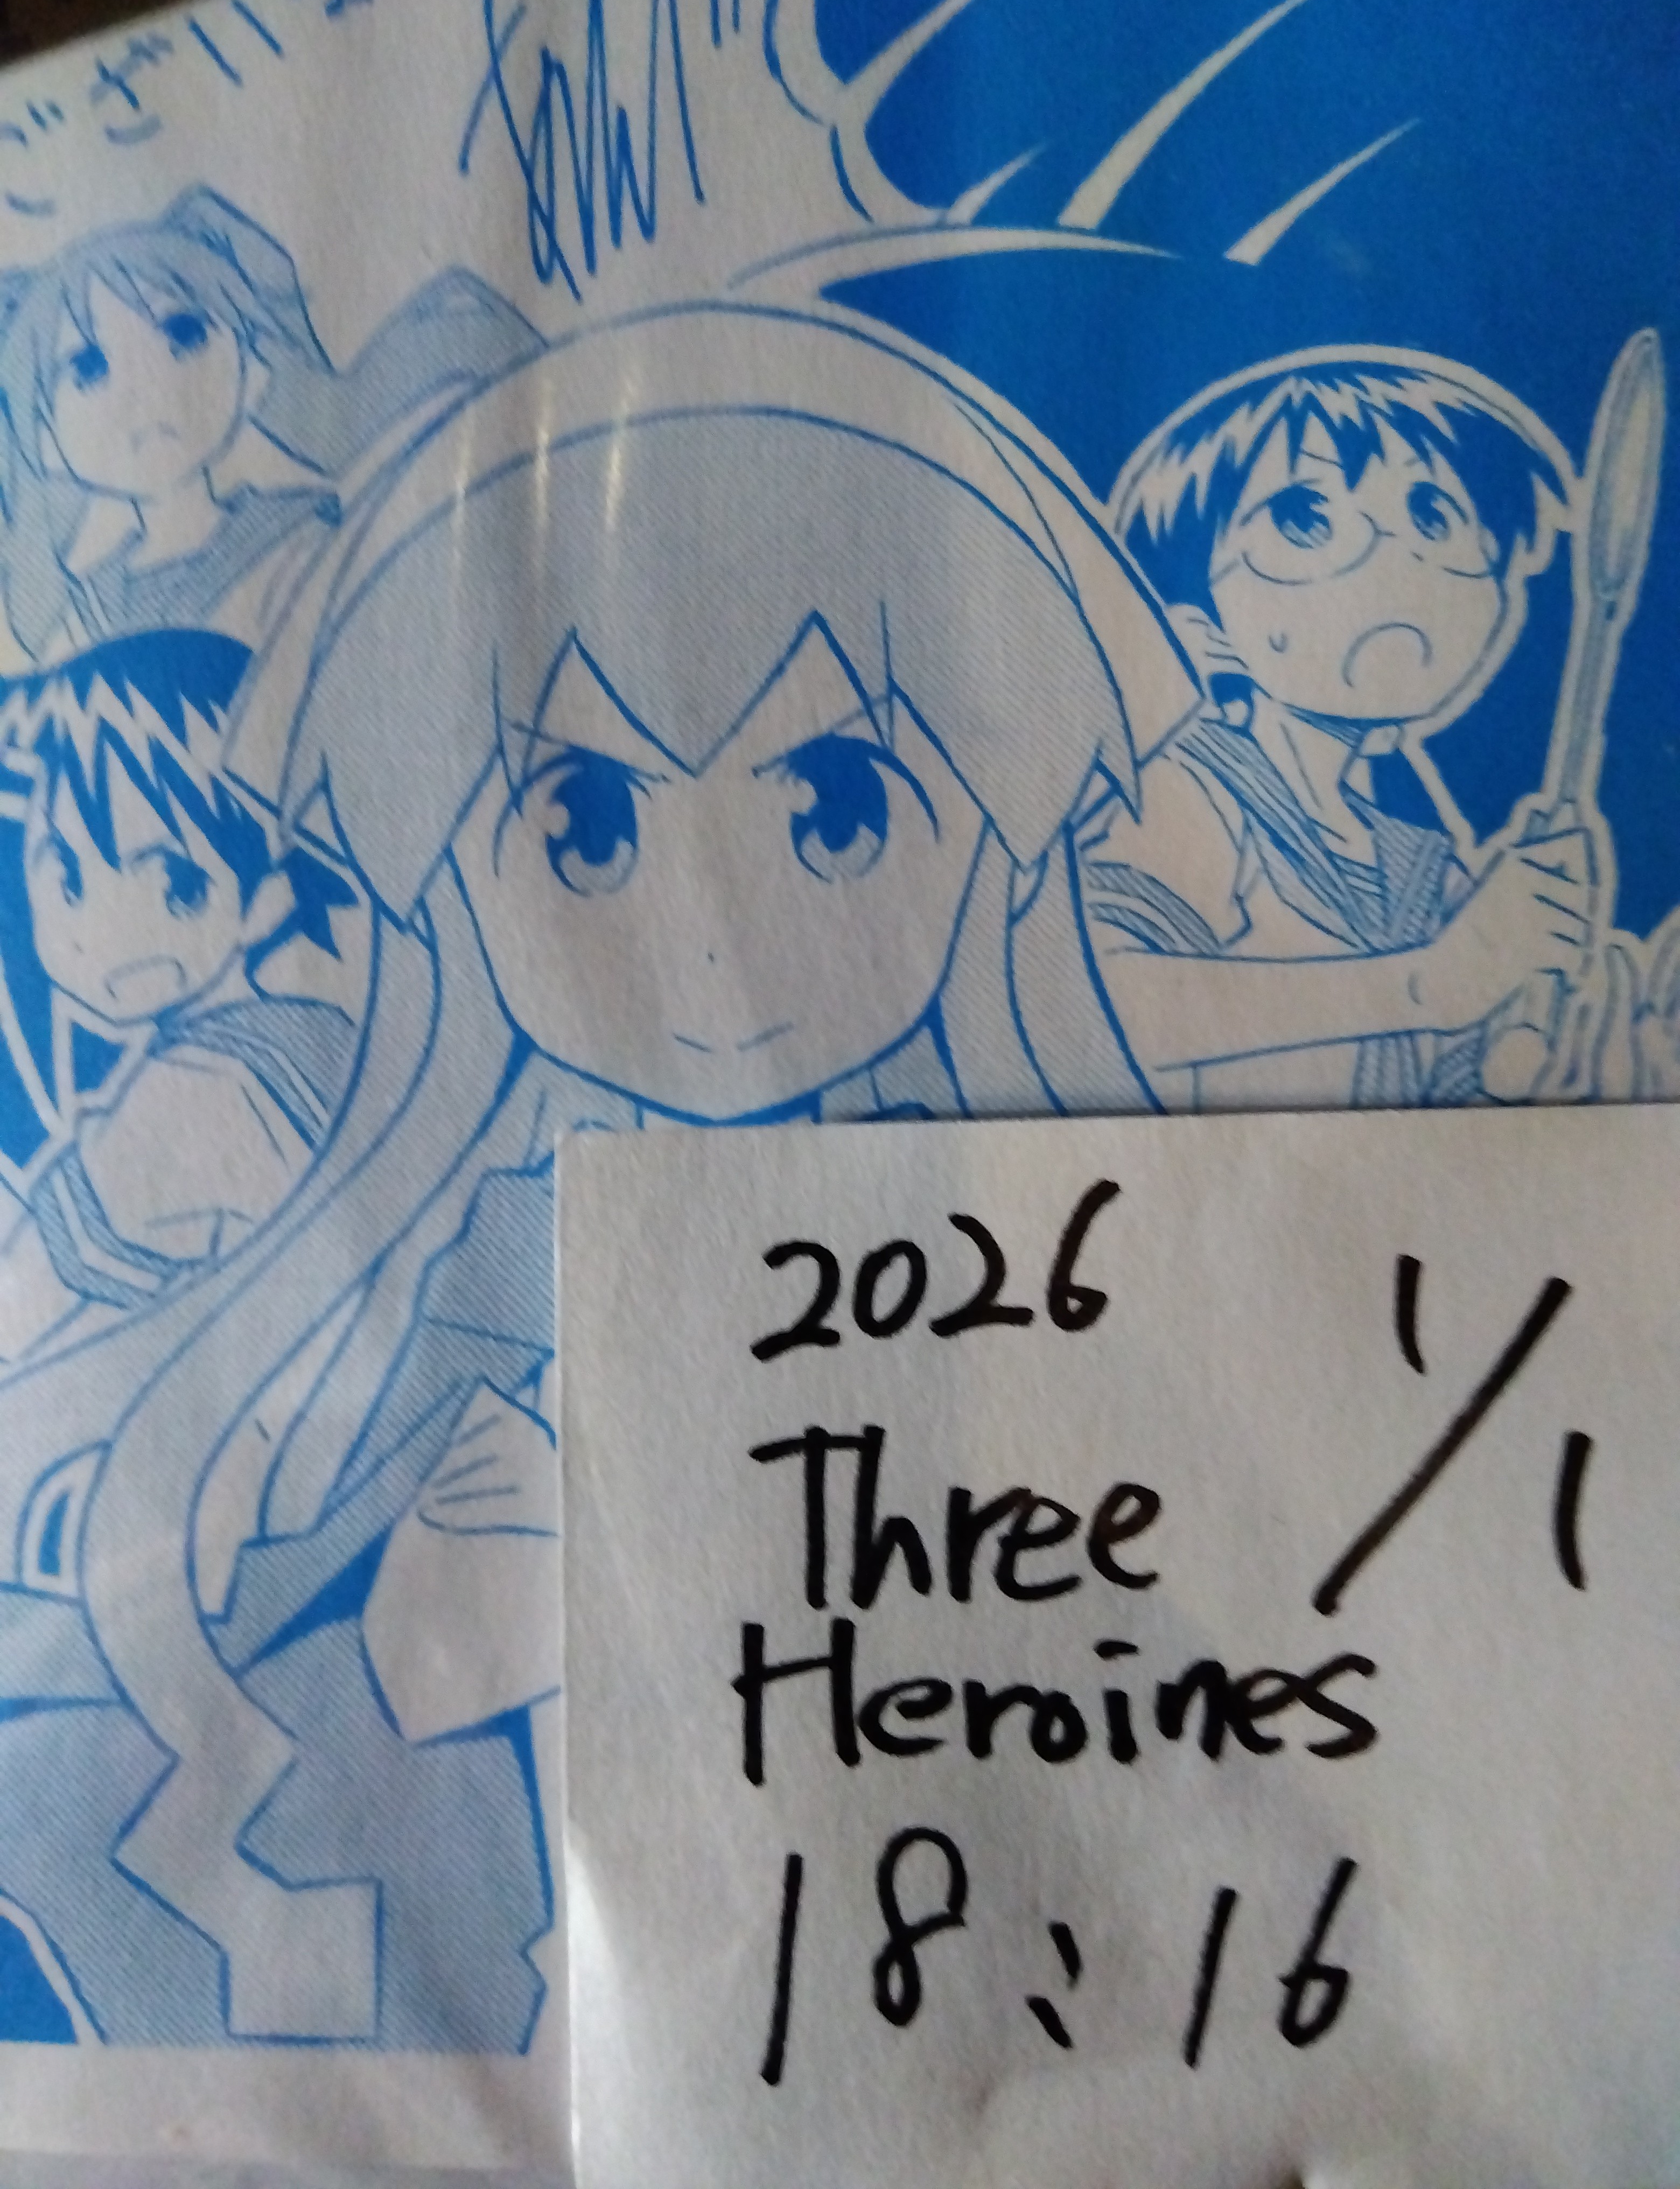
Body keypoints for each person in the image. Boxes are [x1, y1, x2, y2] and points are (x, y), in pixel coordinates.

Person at [0, 302, 1198, 2048]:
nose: (708, 948)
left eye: (837, 810)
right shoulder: (489, 1215)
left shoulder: (1028, 1237)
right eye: (586, 829)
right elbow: (370, 1548)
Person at [1091, 351, 1596, 1110]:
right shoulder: (1190, 791)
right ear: (1201, 630)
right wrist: (1427, 984)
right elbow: (1102, 999)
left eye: (1434, 514)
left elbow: (1460, 1082)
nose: (1399, 553)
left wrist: (1517, 1023)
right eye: (1305, 517)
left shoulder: (1423, 868)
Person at [0, 627, 361, 1363]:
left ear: (273, 893)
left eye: (179, 885)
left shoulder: (195, 1089)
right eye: (70, 878)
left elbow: (28, 1301)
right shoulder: (322, 1032)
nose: (102, 929)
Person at [0, 185, 544, 664]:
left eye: (185, 334)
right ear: (44, 441)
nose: (144, 391)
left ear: (254, 369)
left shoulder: (299, 538)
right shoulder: (91, 608)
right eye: (88, 369)